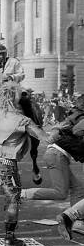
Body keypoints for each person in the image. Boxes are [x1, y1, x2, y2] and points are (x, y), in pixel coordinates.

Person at [0, 83, 49, 246]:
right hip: (6, 166)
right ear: (17, 100)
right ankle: (9, 237)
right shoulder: (22, 120)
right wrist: (59, 130)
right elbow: (44, 138)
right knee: (13, 199)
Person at [21, 94, 84, 235]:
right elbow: (76, 131)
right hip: (57, 155)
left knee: (78, 189)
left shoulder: (74, 116)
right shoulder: (79, 119)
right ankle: (21, 194)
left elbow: (61, 129)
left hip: (58, 154)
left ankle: (77, 223)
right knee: (60, 192)